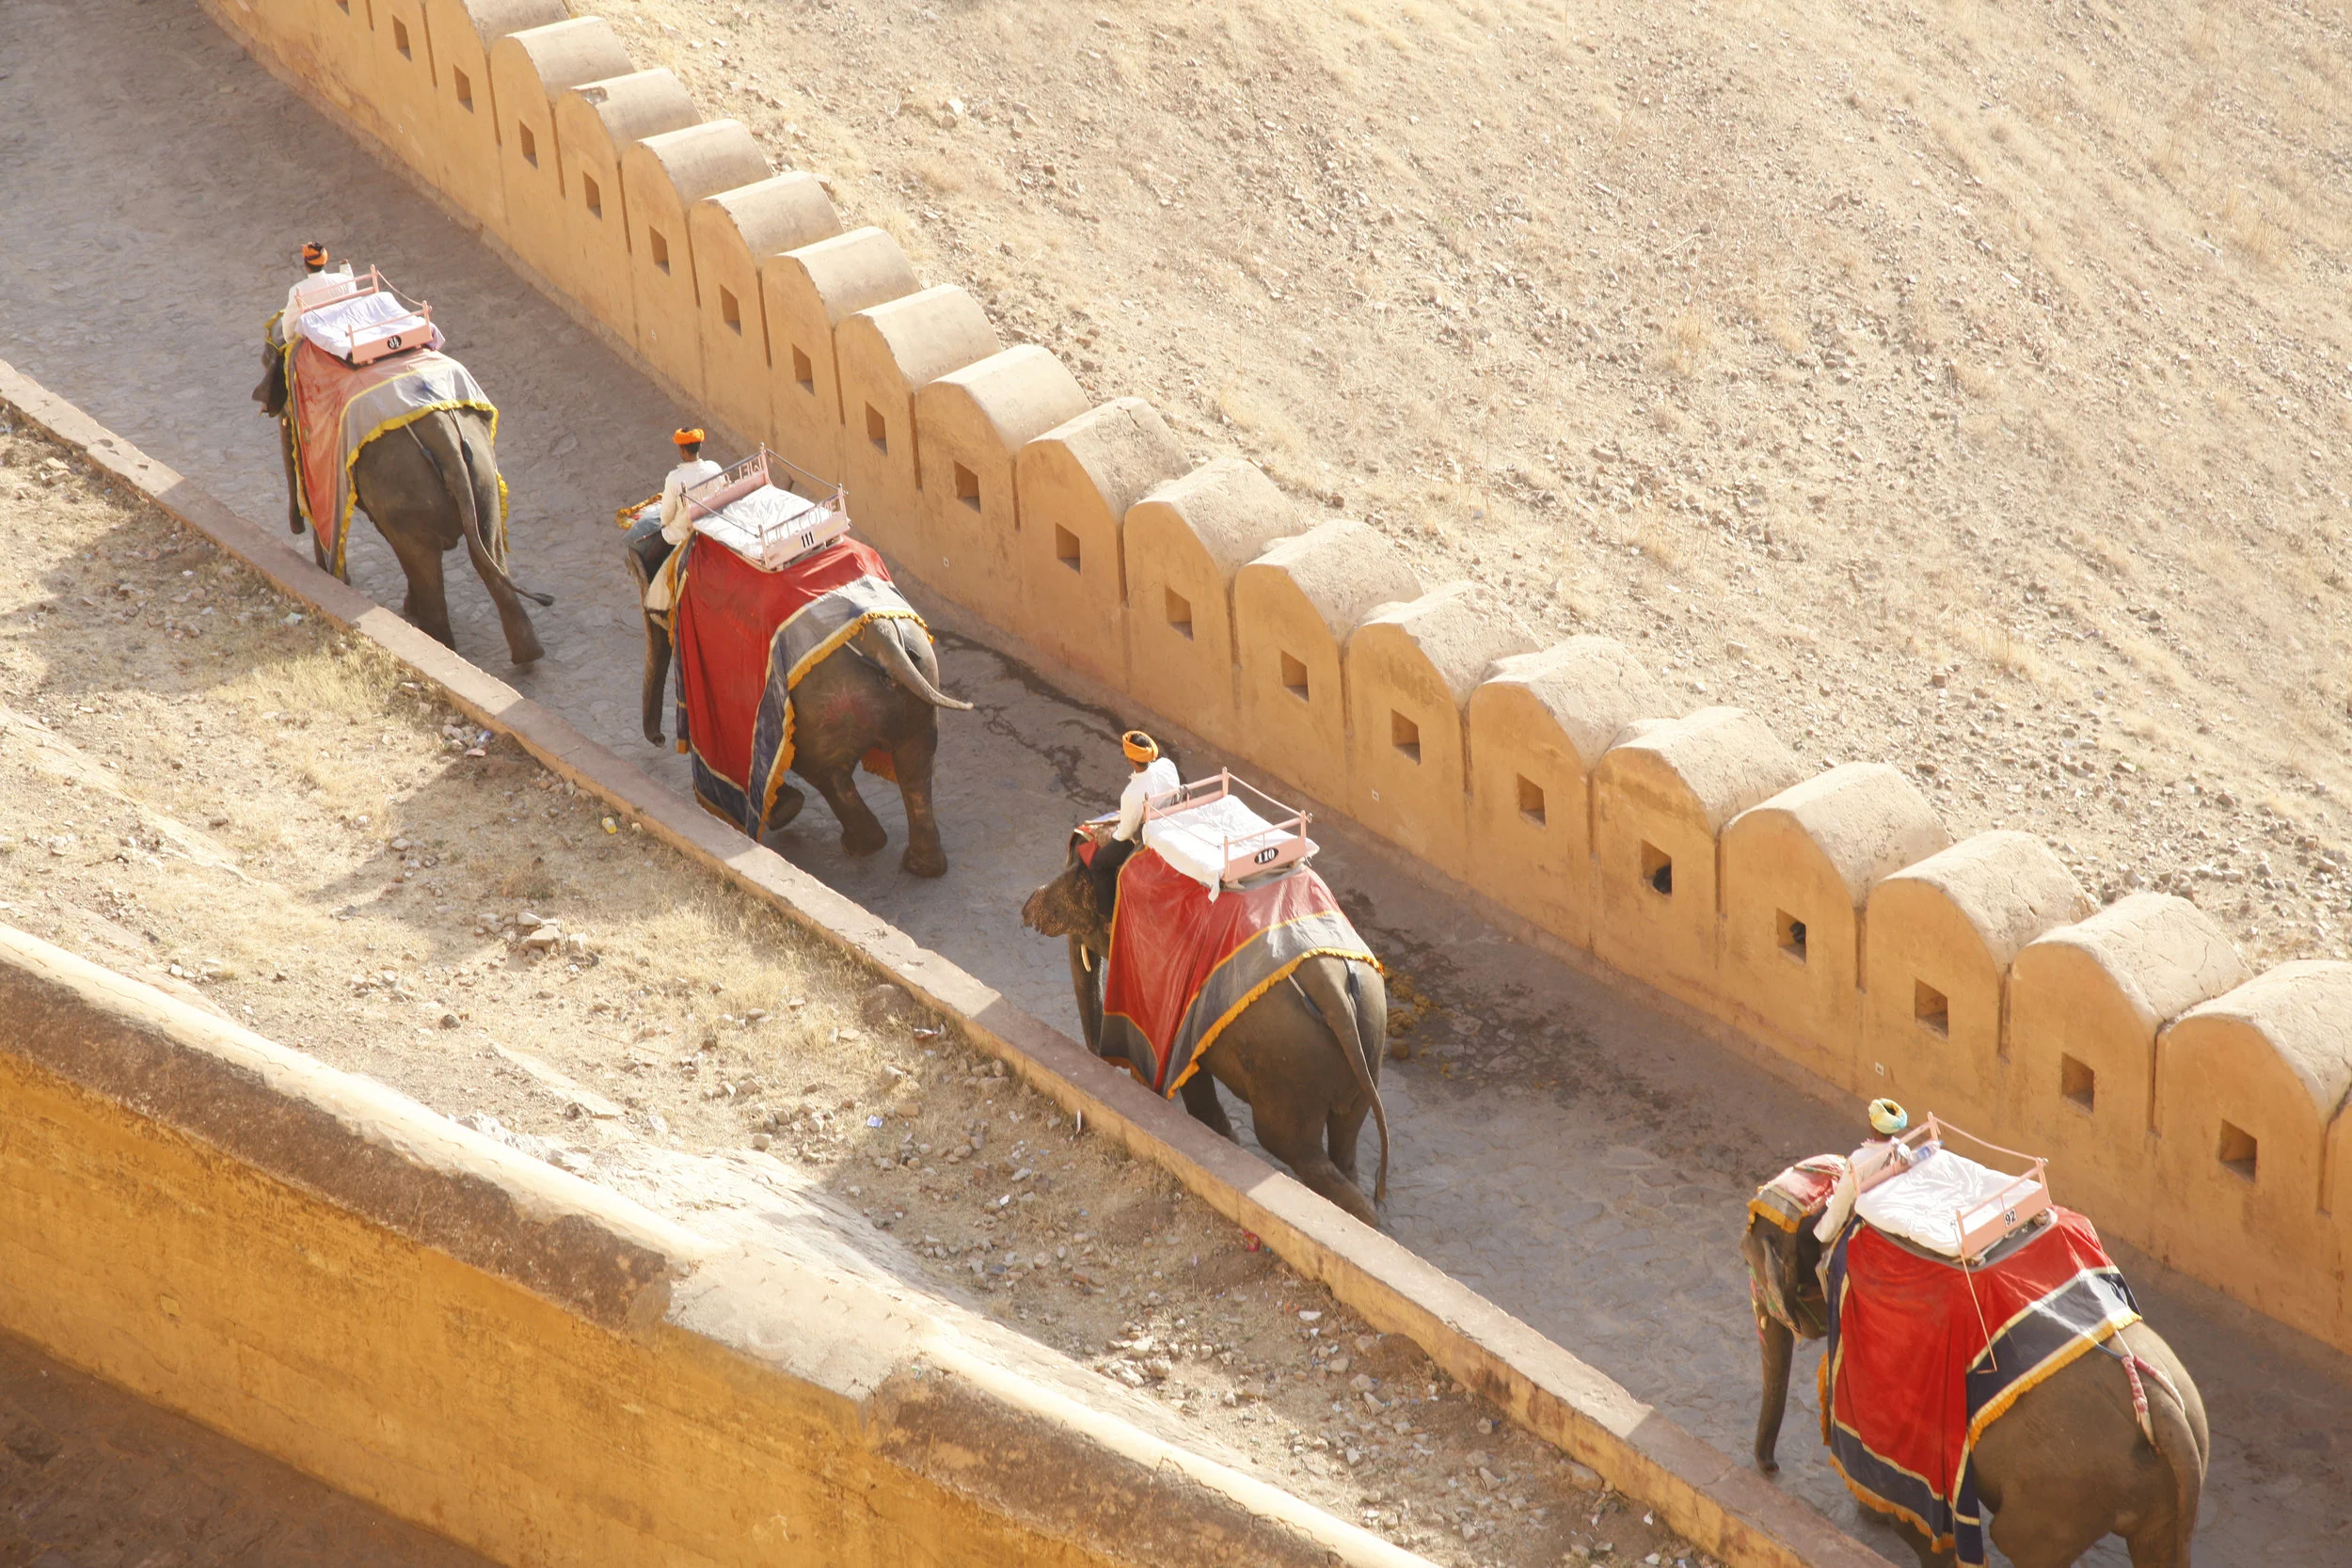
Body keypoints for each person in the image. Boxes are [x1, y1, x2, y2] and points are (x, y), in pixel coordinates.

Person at [1089, 730, 1179, 911]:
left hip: (1146, 834)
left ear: (1130, 759)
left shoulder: (1131, 793)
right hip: (1171, 819)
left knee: (1097, 864)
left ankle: (1107, 916)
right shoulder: (1167, 765)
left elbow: (1125, 833)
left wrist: (1113, 832)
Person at [644, 428, 723, 611]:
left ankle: (658, 605)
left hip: (682, 534)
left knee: (649, 558)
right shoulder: (714, 468)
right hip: (712, 528)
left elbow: (665, 517)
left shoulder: (674, 479)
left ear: (682, 450)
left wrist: (665, 524)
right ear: (699, 447)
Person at [278, 241, 352, 345]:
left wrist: (290, 340)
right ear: (325, 260)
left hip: (316, 338)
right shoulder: (343, 280)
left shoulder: (297, 290)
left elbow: (288, 323)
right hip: (346, 330)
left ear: (306, 265)